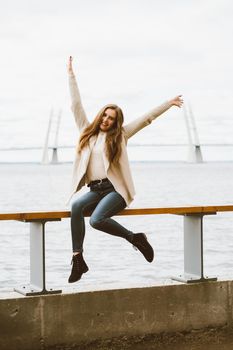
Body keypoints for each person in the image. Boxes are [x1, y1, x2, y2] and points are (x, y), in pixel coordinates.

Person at [67, 56, 183, 283]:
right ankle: (78, 258)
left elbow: (146, 119)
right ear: (100, 115)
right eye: (105, 115)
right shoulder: (86, 132)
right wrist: (71, 75)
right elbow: (76, 105)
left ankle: (135, 238)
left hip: (115, 190)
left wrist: (167, 104)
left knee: (96, 220)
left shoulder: (120, 136)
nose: (106, 120)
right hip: (95, 189)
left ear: (116, 122)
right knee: (76, 206)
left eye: (112, 118)